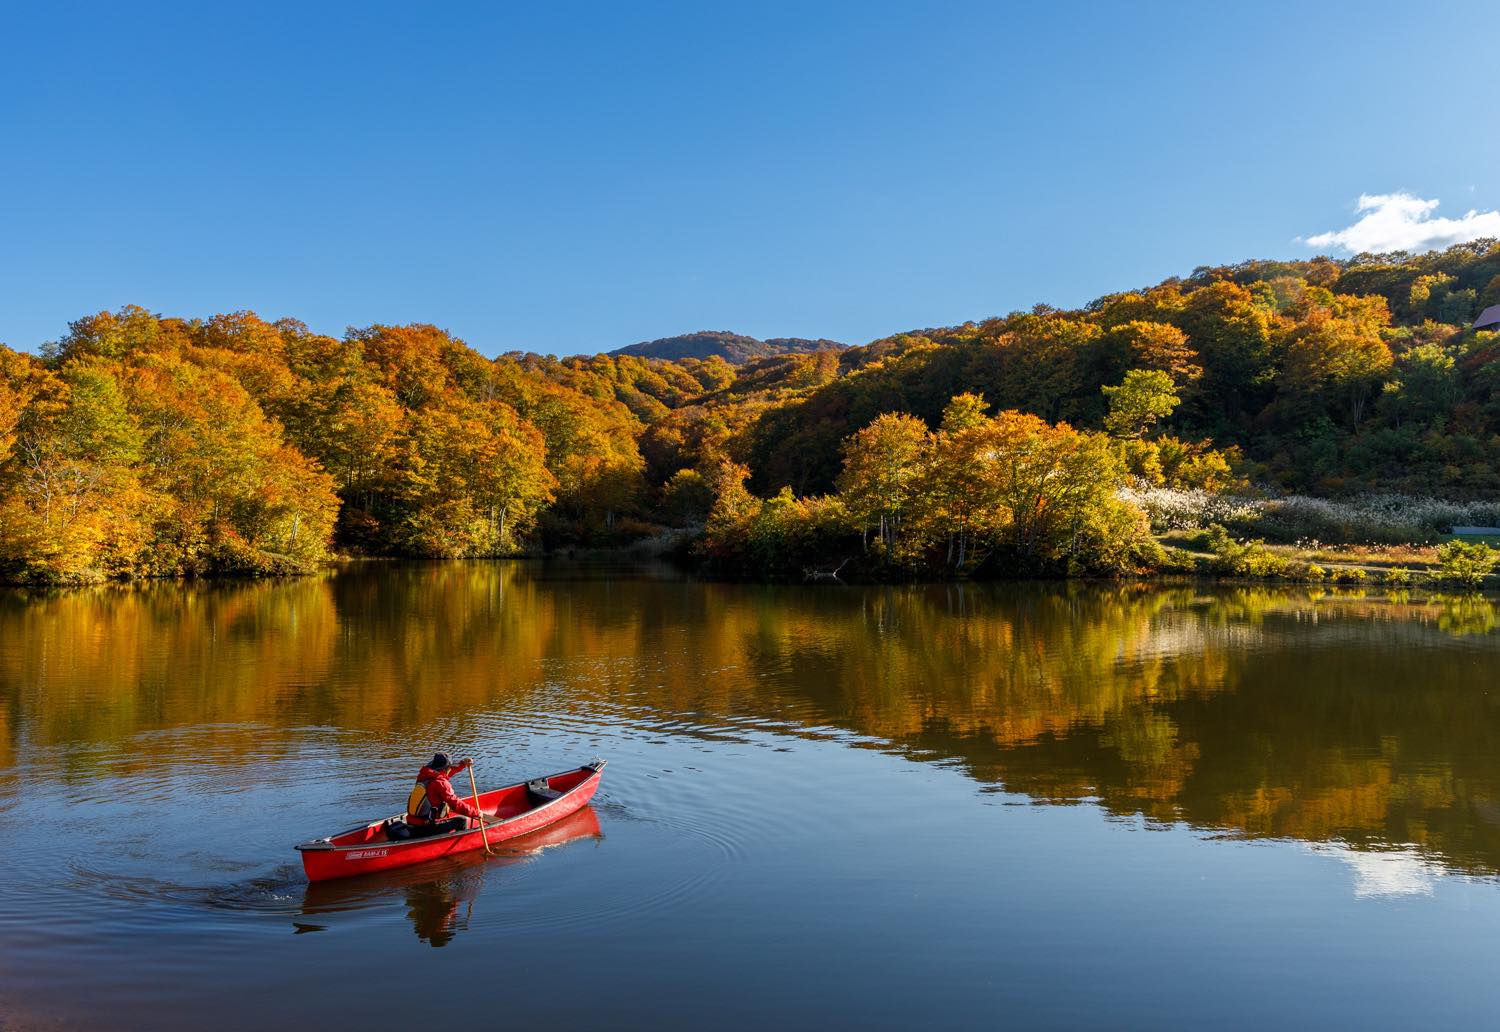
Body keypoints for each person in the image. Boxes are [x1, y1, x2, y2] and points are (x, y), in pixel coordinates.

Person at [404, 753, 483, 837]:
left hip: (411, 821)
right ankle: (457, 844)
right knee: (461, 821)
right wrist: (476, 813)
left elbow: (445, 774)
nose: (450, 769)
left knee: (443, 810)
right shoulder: (441, 784)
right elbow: (455, 804)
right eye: (449, 767)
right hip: (425, 827)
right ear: (446, 768)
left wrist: (463, 764)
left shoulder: (424, 776)